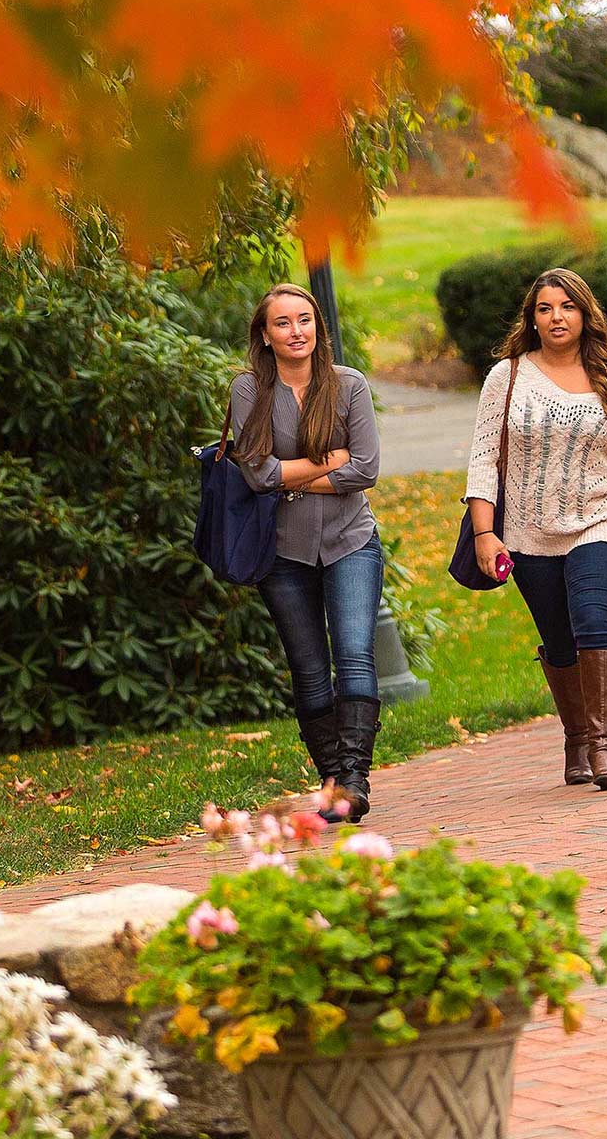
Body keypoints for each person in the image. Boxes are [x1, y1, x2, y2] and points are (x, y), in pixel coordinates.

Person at [464, 267, 607, 790]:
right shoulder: (508, 376)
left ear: (585, 314)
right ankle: (577, 738)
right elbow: (483, 456)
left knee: (592, 619)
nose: (557, 317)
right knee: (558, 639)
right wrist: (484, 532)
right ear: (532, 319)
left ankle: (606, 747)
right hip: (525, 530)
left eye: (567, 306)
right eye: (545, 308)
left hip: (603, 518)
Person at [230, 282, 384, 822]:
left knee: (355, 657)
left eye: (304, 320)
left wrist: (290, 479)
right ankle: (330, 780)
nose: (296, 332)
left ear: (318, 328)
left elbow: (364, 469)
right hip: (282, 552)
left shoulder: (349, 386)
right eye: (283, 323)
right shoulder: (249, 389)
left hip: (351, 541)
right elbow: (258, 473)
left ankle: (354, 782)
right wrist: (324, 464)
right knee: (309, 669)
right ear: (266, 335)